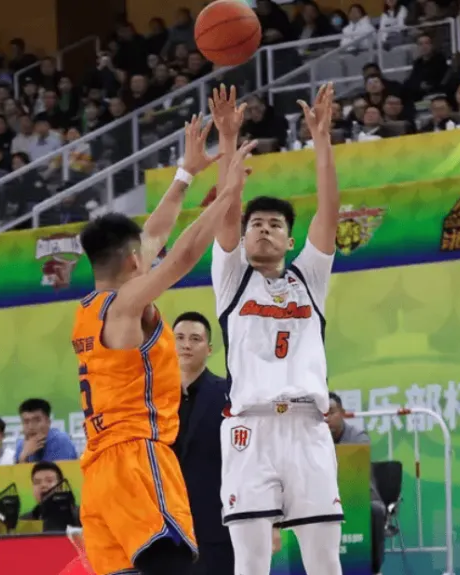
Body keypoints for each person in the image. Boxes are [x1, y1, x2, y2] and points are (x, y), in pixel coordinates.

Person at [72, 114, 256, 575]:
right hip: (136, 455)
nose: (150, 252)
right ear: (133, 261)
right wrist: (228, 193)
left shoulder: (90, 309)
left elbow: (153, 235)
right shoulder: (125, 306)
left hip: (98, 472)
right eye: (143, 254)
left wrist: (186, 174)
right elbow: (183, 255)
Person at [208, 83, 342, 575]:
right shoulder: (232, 277)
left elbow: (329, 211)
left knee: (325, 563)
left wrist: (322, 141)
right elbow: (226, 210)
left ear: (290, 239)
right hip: (250, 428)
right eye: (256, 224)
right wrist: (227, 140)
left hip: (307, 426)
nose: (264, 228)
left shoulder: (309, 279)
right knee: (251, 564)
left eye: (275, 224)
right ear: (244, 238)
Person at [172, 311, 234, 575]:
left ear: (208, 349)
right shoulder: (153, 397)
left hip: (216, 525)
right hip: (167, 528)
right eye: (180, 338)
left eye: (195, 339)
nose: (186, 345)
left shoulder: (228, 394)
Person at [326, 393, 386, 575]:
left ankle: (374, 570)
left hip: (358, 495)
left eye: (331, 412)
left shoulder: (359, 437)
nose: (327, 418)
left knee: (375, 510)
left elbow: (355, 474)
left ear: (343, 413)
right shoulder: (313, 440)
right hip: (324, 499)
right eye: (322, 414)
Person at [14, 398, 77, 463]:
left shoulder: (61, 441)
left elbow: (62, 469)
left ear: (48, 422)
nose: (31, 427)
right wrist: (23, 456)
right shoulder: (21, 446)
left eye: (36, 420)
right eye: (26, 422)